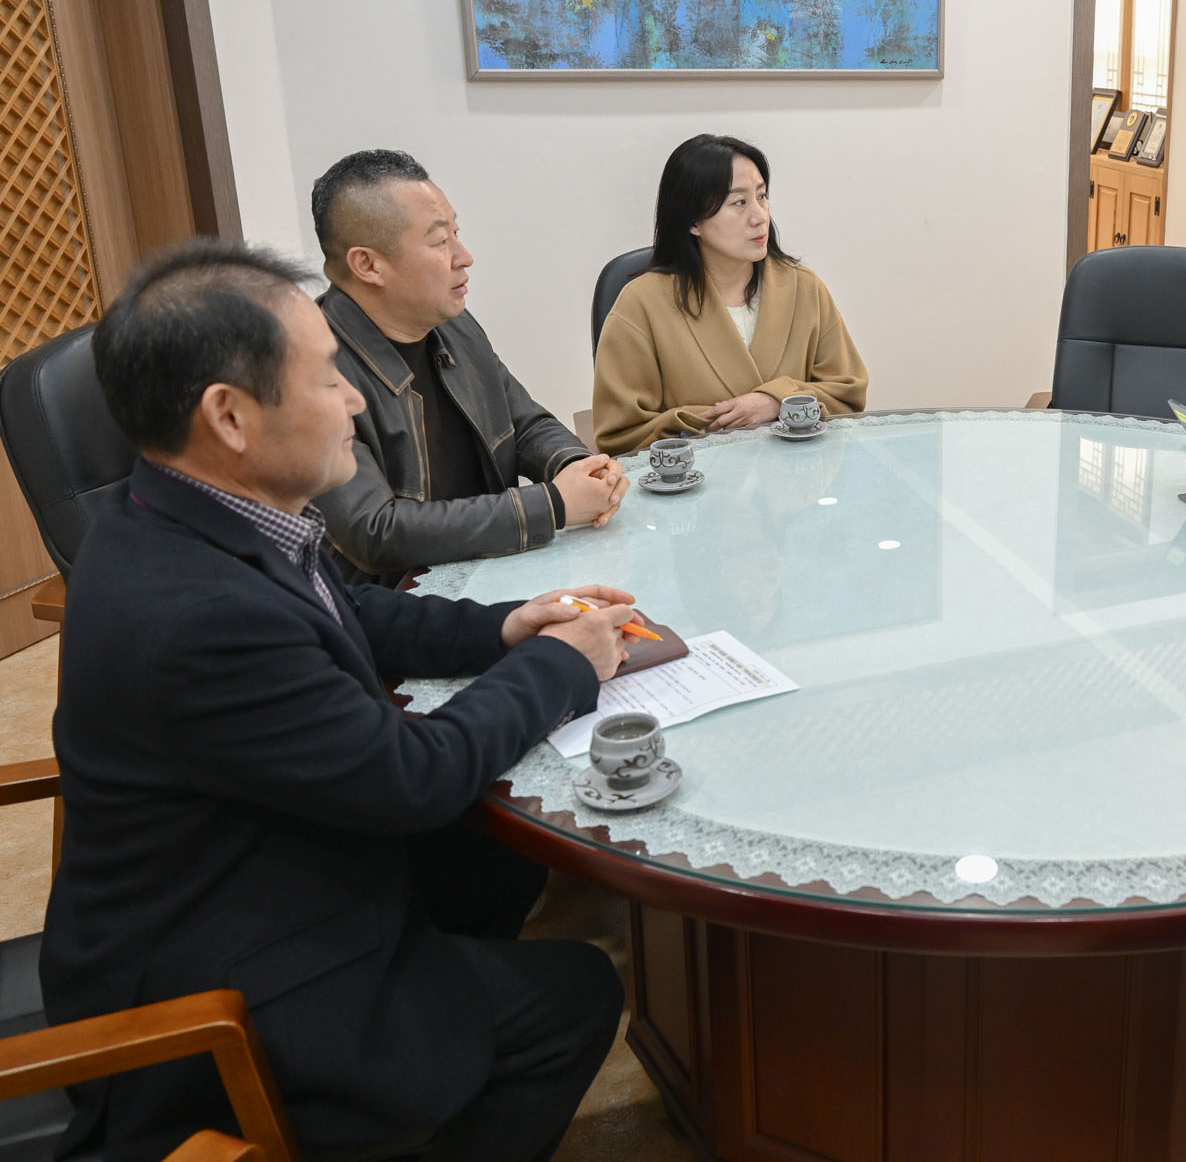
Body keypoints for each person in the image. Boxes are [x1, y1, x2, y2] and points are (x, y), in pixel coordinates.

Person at [43, 241, 632, 1161]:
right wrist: (562, 665)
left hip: (257, 866)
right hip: (229, 990)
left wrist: (506, 628)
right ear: (230, 415)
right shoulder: (197, 617)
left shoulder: (179, 511)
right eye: (327, 378)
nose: (356, 401)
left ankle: (439, 1016)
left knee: (498, 854)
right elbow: (411, 779)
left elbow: (342, 611)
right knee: (575, 996)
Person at [310, 149, 629, 586]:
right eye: (440, 242)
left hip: (492, 571)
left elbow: (525, 423)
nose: (464, 256)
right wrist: (552, 504)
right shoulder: (308, 368)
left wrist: (578, 467)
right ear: (368, 265)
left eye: (456, 233)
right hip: (394, 605)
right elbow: (376, 531)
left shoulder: (453, 325)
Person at [592, 133, 867, 453]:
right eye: (739, 202)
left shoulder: (804, 288)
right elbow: (622, 434)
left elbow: (848, 394)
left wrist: (777, 401)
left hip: (799, 474)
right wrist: (718, 422)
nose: (760, 216)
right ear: (694, 221)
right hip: (696, 480)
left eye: (762, 196)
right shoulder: (640, 304)